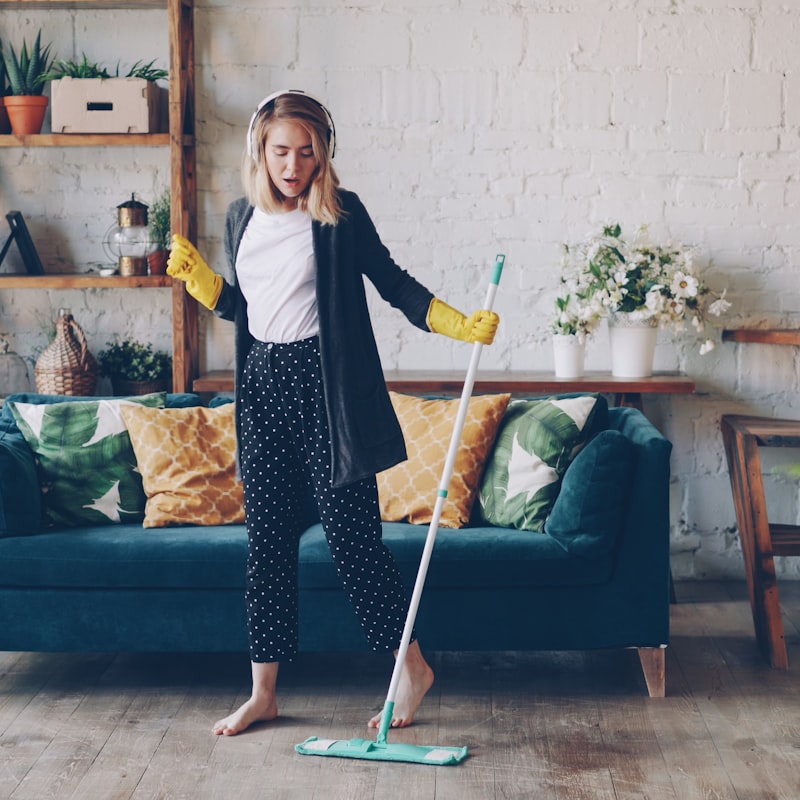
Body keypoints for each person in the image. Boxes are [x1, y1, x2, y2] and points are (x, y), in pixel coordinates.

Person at [166, 89, 500, 737]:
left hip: (327, 398)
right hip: (261, 395)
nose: (293, 164)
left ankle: (413, 668)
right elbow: (251, 311)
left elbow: (395, 284)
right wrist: (205, 284)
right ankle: (263, 693)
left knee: (353, 546)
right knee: (265, 549)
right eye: (281, 150)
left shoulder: (341, 218)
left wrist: (457, 324)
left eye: (307, 151)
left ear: (325, 154)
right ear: (259, 151)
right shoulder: (240, 218)